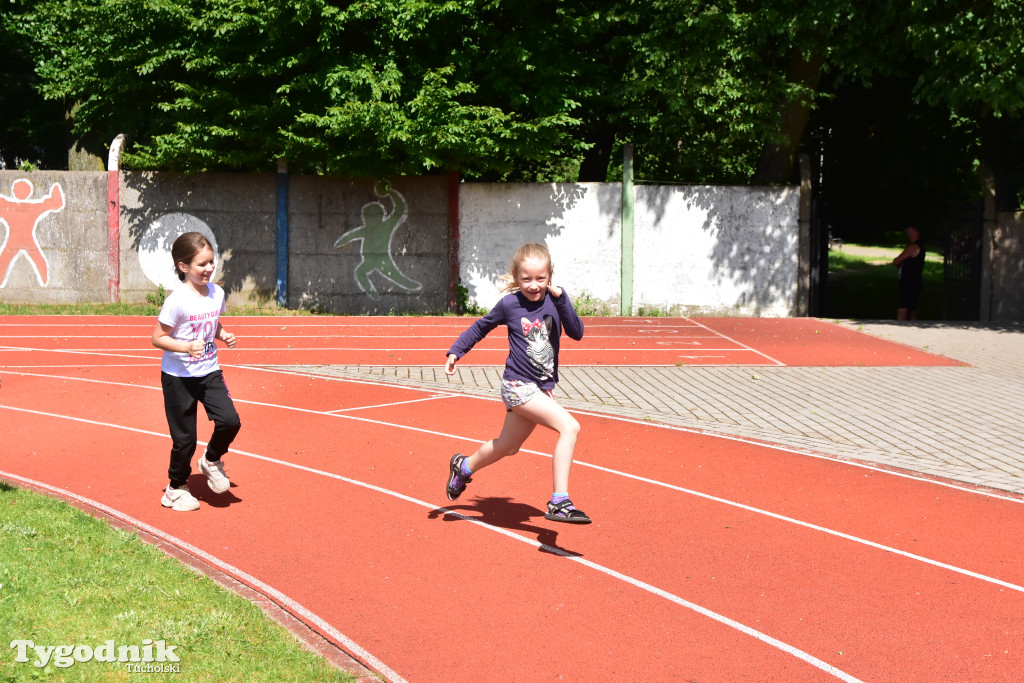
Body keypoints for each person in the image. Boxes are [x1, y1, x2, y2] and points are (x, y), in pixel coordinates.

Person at [443, 241, 590, 523]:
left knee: (508, 447)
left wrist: (562, 300)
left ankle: (464, 467)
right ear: (516, 277)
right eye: (526, 279)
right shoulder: (510, 304)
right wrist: (456, 351)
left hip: (541, 389)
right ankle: (560, 500)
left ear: (550, 277)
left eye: (540, 278)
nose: (533, 285)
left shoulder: (555, 300)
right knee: (570, 427)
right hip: (517, 386)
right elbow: (481, 326)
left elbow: (577, 332)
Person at [151, 232, 241, 511]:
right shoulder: (176, 300)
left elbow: (212, 322)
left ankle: (211, 460)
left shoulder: (217, 293)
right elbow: (157, 338)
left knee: (230, 421)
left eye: (211, 262)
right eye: (202, 264)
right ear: (183, 267)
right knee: (184, 440)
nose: (209, 268)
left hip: (209, 371)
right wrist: (185, 347)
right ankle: (175, 488)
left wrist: (223, 334)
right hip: (178, 378)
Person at [893, 226, 926, 321]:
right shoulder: (921, 246)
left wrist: (899, 260)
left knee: (902, 309)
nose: (907, 232)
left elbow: (896, 261)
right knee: (911, 310)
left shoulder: (913, 247)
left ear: (914, 230)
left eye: (908, 229)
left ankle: (901, 330)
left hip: (909, 282)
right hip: (915, 281)